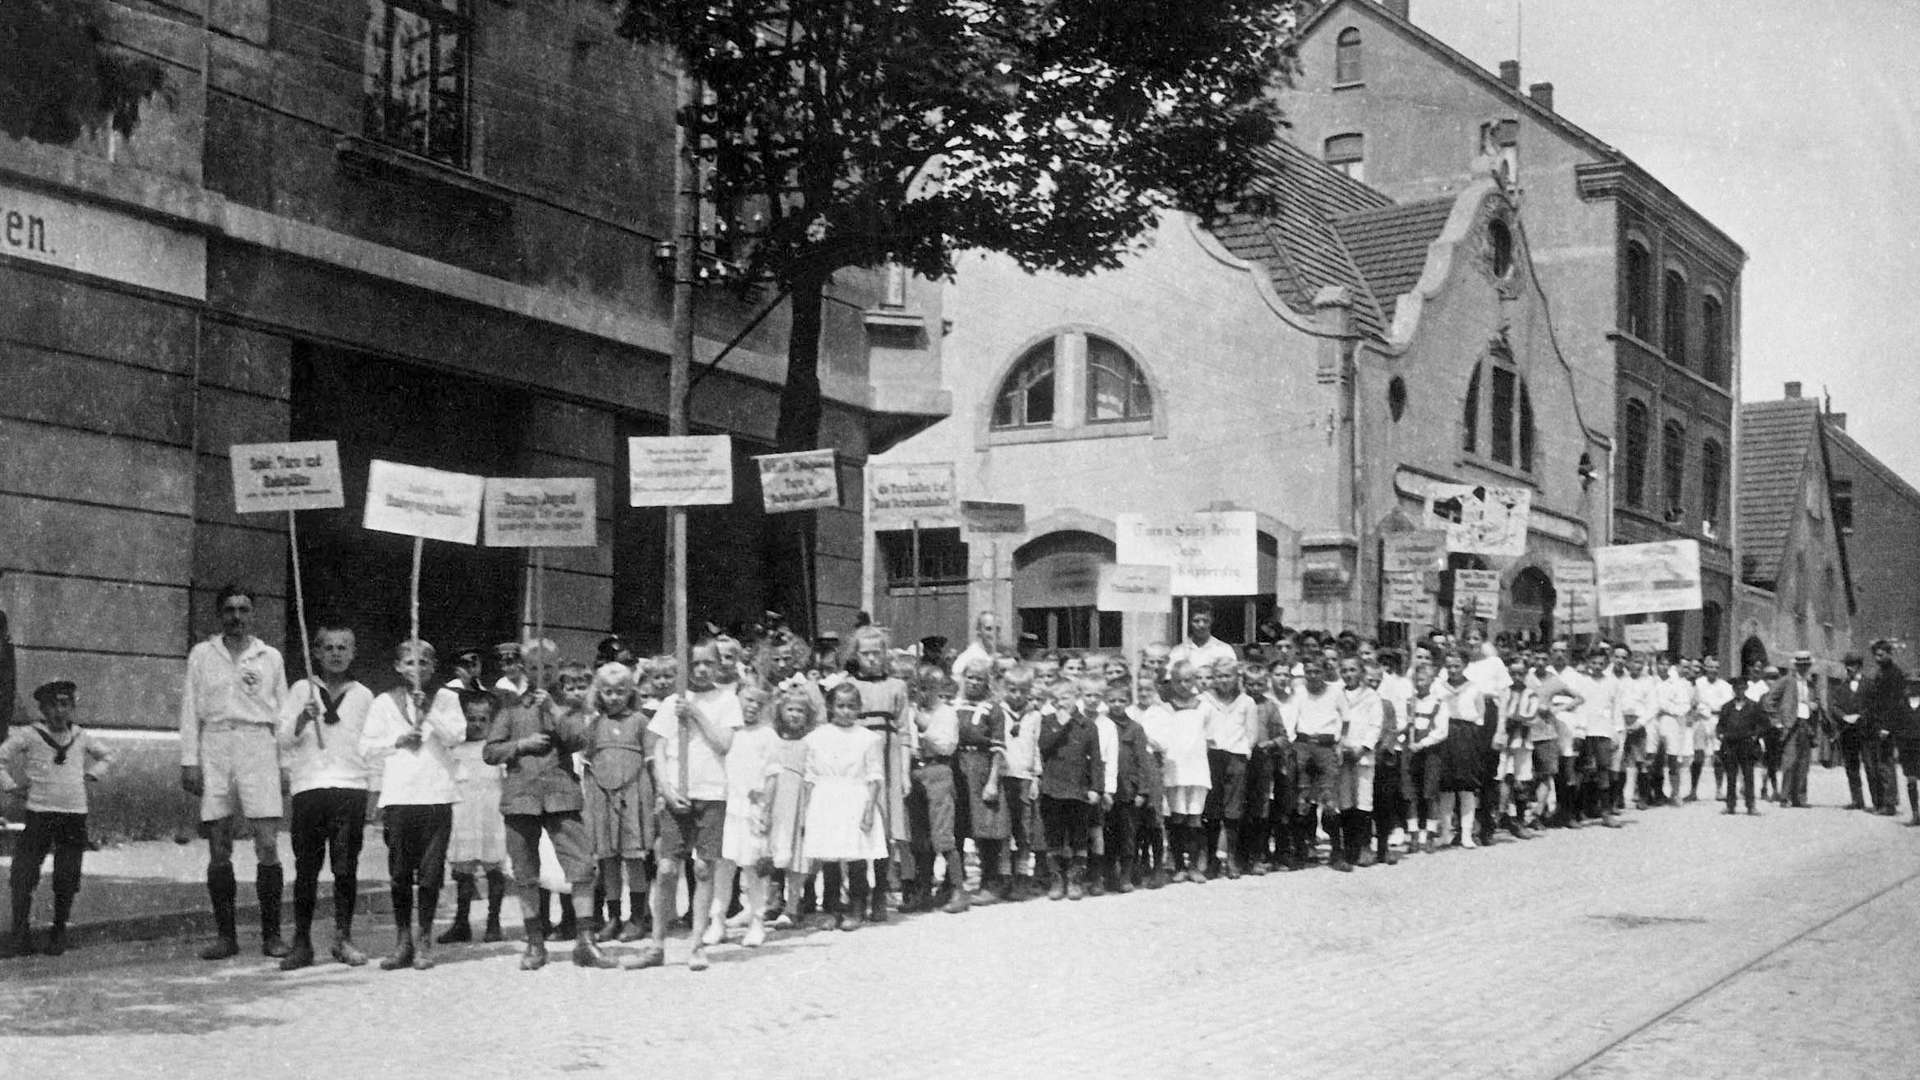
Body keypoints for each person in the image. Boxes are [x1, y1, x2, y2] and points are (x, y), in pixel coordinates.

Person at [179, 583, 291, 961]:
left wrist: (285, 765)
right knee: (219, 844)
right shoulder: (202, 655)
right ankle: (226, 936)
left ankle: (272, 936)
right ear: (219, 614)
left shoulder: (269, 657)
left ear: (253, 615)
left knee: (266, 843)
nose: (237, 617)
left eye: (244, 609)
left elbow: (285, 715)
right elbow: (190, 709)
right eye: (229, 610)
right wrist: (189, 760)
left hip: (258, 744)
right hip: (216, 744)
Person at [485, 648, 611, 971]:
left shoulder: (567, 705)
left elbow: (579, 739)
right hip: (521, 796)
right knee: (526, 872)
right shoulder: (510, 709)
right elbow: (490, 751)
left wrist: (553, 710)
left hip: (560, 795)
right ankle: (535, 943)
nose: (541, 672)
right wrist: (521, 746)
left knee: (582, 866)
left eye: (548, 667)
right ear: (525, 669)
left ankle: (585, 941)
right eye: (534, 667)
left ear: (557, 669)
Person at [358, 639, 466, 971]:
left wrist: (429, 712)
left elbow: (457, 736)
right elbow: (365, 747)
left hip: (435, 795)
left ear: (434, 667)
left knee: (431, 875)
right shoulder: (383, 702)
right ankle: (402, 940)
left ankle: (424, 940)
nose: (417, 669)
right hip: (400, 795)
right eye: (410, 663)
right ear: (398, 667)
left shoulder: (446, 698)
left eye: (424, 663)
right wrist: (397, 740)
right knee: (401, 873)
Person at [275, 625, 375, 970]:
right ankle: (302, 942)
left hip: (350, 787)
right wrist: (303, 719)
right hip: (310, 787)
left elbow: (372, 746)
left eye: (342, 647)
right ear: (316, 653)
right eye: (328, 647)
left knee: (345, 867)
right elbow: (282, 738)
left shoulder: (363, 696)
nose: (335, 653)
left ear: (353, 652)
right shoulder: (303, 689)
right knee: (307, 868)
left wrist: (374, 789)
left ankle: (343, 938)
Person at [646, 640, 742, 969]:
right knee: (667, 867)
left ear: (719, 667)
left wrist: (697, 713)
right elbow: (657, 748)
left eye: (707, 664)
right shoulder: (672, 701)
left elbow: (723, 744)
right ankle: (656, 943)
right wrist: (666, 787)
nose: (701, 670)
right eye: (694, 664)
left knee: (703, 869)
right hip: (677, 794)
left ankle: (697, 944)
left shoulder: (727, 701)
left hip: (712, 793)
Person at [3, 680, 111, 957]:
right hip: (39, 812)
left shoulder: (81, 736)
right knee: (24, 872)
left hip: (73, 813)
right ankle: (20, 933)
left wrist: (92, 774)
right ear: (42, 708)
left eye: (65, 704)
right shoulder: (30, 734)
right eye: (52, 705)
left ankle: (59, 931)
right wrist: (10, 786)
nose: (59, 711)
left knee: (67, 874)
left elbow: (108, 756)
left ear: (73, 707)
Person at [803, 681, 889, 930]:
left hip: (855, 797)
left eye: (851, 706)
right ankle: (832, 908)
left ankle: (857, 906)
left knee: (856, 856)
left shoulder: (868, 739)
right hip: (825, 798)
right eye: (840, 706)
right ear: (830, 707)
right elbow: (809, 777)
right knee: (830, 856)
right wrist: (806, 811)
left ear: (859, 708)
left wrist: (869, 810)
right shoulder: (816, 738)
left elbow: (874, 777)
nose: (846, 711)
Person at [581, 662, 655, 947]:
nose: (614, 697)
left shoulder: (640, 722)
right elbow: (587, 764)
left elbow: (649, 763)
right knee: (608, 859)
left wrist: (647, 798)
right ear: (599, 693)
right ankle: (613, 916)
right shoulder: (594, 724)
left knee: (634, 859)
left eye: (620, 691)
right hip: (602, 796)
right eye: (608, 692)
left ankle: (637, 917)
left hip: (632, 795)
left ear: (630, 692)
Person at [439, 688, 509, 949]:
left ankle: (493, 921)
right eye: (471, 718)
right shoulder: (454, 749)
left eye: (483, 719)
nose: (476, 724)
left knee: (494, 868)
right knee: (463, 870)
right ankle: (461, 922)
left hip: (491, 815)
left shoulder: (495, 750)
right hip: (464, 815)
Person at [714, 684, 775, 947]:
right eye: (748, 700)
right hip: (726, 806)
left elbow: (773, 776)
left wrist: (765, 809)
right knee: (722, 867)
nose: (752, 707)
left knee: (753, 868)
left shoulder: (767, 735)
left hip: (752, 809)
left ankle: (757, 921)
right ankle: (717, 921)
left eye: (758, 704)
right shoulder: (727, 732)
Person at [1037, 677, 1104, 900]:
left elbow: (1095, 760)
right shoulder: (1047, 722)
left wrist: (1096, 788)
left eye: (1065, 697)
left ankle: (1076, 879)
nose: (1060, 703)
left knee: (1078, 835)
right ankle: (1057, 879)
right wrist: (1060, 725)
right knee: (1054, 834)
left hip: (1078, 789)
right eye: (1055, 699)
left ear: (1076, 697)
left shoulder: (1088, 725)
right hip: (1053, 788)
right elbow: (1043, 747)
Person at [946, 659, 1001, 909]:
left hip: (982, 767)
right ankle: (954, 882)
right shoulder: (952, 705)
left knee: (985, 826)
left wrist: (992, 781)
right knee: (956, 824)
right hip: (957, 765)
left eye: (979, 678)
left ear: (987, 681)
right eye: (970, 677)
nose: (974, 682)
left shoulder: (993, 708)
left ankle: (989, 882)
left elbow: (999, 749)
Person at [761, 691, 815, 928]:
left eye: (800, 711)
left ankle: (793, 905)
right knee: (772, 849)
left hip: (797, 800)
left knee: (795, 852)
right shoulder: (772, 739)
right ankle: (772, 902)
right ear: (780, 712)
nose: (794, 715)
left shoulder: (809, 743)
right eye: (790, 709)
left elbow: (813, 775)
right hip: (774, 800)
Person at [1155, 661, 1212, 882]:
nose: (1183, 685)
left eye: (1188, 680)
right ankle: (1179, 865)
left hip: (1197, 769)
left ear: (1196, 680)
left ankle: (1195, 866)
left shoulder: (1204, 706)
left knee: (1195, 818)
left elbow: (1207, 733)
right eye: (1178, 680)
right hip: (1175, 770)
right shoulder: (1166, 707)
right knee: (1177, 817)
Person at [1200, 659, 1255, 878]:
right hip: (1212, 757)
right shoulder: (1204, 700)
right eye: (1219, 676)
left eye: (1228, 676)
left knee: (1233, 810)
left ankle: (1231, 858)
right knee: (1212, 809)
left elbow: (1251, 733)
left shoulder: (1246, 701)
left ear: (1237, 677)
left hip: (1236, 757)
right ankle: (1212, 859)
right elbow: (1200, 729)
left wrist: (1244, 750)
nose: (1224, 680)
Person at [1332, 657, 1384, 871]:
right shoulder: (1336, 694)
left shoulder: (1371, 696)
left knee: (1364, 798)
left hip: (1362, 755)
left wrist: (1363, 747)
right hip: (1343, 754)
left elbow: (1375, 725)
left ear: (1361, 672)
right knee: (1345, 800)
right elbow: (1334, 720)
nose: (1348, 674)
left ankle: (1364, 846)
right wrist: (1340, 745)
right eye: (1344, 670)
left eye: (1353, 670)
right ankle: (1348, 847)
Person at [1764, 651, 1826, 809]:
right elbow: (1769, 701)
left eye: (1806, 665)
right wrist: (1777, 721)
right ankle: (1785, 798)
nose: (1803, 668)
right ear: (1795, 665)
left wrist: (1815, 705)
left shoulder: (1811, 684)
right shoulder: (1786, 681)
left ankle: (1800, 798)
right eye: (1800, 665)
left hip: (1806, 725)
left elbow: (1817, 702)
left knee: (1804, 762)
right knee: (1789, 762)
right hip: (1791, 724)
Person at [1859, 640, 1910, 819]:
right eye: (1875, 655)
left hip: (1885, 727)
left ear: (1889, 654)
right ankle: (1880, 802)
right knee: (1875, 765)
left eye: (1881, 655)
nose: (1877, 658)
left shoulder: (1895, 675)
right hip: (1874, 726)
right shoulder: (1879, 673)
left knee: (1885, 765)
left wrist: (1887, 727)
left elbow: (1895, 704)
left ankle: (1890, 803)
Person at [1401, 662, 1448, 854]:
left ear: (1431, 681)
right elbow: (1401, 726)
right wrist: (1405, 732)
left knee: (1430, 793)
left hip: (1430, 752)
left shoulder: (1438, 703)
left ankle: (1429, 834)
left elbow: (1441, 731)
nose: (1420, 684)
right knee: (1410, 793)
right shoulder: (1409, 702)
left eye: (1423, 680)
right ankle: (1413, 834)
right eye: (1417, 680)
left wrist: (1422, 743)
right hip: (1410, 752)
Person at [1718, 662, 1770, 815]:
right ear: (1733, 690)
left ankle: (1750, 805)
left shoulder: (1754, 706)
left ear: (1746, 689)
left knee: (1748, 775)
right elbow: (1720, 725)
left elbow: (1764, 724)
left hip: (1747, 744)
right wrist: (1720, 734)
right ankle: (1730, 805)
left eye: (1742, 688)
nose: (1739, 691)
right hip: (1730, 744)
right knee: (1731, 776)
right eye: (1736, 688)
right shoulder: (1727, 707)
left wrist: (1755, 735)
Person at [1830, 653, 1875, 811]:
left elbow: (1874, 706)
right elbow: (1833, 706)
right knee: (1851, 767)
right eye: (1847, 665)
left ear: (1859, 666)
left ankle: (1877, 802)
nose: (1849, 668)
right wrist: (1844, 717)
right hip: (1847, 733)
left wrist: (1860, 716)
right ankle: (1857, 800)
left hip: (1866, 732)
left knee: (1870, 766)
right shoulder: (1841, 687)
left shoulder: (1870, 685)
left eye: (1852, 664)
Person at [1692, 656, 1734, 802]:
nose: (1713, 670)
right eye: (1711, 667)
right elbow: (1695, 703)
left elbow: (1727, 705)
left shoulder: (1725, 686)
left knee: (1718, 756)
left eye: (1716, 667)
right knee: (1698, 755)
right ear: (1705, 668)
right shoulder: (1698, 683)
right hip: (1702, 720)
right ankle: (1693, 790)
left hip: (1718, 720)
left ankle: (1718, 790)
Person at [1169, 600, 1238, 673]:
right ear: (1189, 622)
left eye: (1205, 621)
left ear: (1212, 620)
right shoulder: (1178, 651)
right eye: (1196, 621)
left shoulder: (1224, 650)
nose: (1201, 625)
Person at [950, 611, 1004, 682]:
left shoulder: (1000, 657)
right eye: (988, 629)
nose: (994, 633)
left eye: (997, 629)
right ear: (979, 630)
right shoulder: (966, 659)